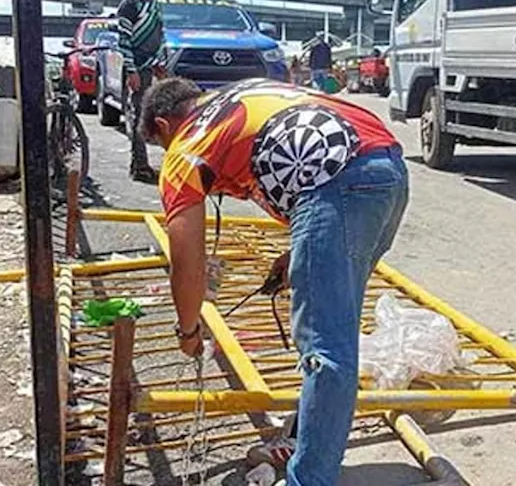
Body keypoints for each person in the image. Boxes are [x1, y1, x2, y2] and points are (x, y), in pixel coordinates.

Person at [139, 77, 409, 486]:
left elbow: (187, 261)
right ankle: (303, 441)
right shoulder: (241, 95)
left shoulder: (185, 145)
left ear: (163, 126)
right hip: (387, 169)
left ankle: (309, 479)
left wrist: (188, 329)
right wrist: (298, 255)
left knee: (325, 348)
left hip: (337, 180)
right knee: (335, 330)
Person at [115, 0, 167, 182]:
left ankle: (141, 164)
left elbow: (160, 34)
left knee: (154, 116)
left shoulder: (155, 4)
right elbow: (124, 41)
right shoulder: (129, 6)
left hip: (152, 65)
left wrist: (160, 62)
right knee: (138, 116)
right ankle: (139, 166)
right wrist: (131, 70)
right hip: (136, 67)